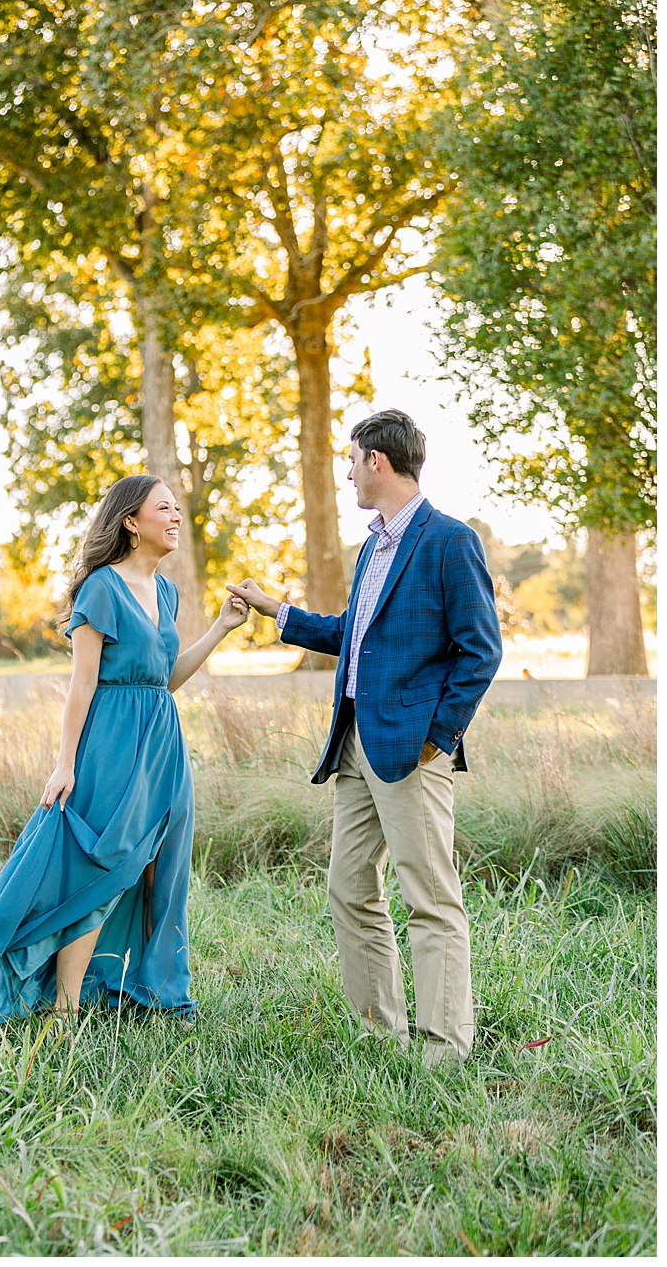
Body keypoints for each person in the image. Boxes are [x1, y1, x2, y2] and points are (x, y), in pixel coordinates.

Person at [227, 409, 501, 1064]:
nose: (347, 473)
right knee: (350, 889)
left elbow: (481, 650)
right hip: (353, 743)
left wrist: (438, 736)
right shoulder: (371, 548)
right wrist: (275, 610)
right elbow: (351, 633)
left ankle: (443, 1048)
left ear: (377, 460)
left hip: (412, 750)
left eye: (351, 461)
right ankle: (382, 1035)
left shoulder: (449, 541)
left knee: (429, 897)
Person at [0, 474, 250, 1028]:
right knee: (102, 868)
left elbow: (163, 679)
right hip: (110, 746)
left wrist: (221, 629)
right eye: (164, 508)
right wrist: (65, 764)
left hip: (163, 745)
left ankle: (156, 994)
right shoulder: (101, 589)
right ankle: (64, 1011)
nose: (176, 517)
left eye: (176, 508)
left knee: (162, 870)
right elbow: (81, 685)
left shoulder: (166, 592)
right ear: (131, 521)